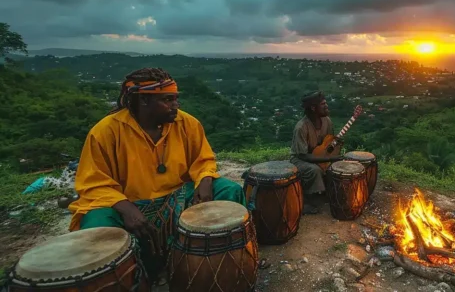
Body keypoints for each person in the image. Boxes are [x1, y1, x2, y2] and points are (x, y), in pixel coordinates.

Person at [68, 68, 246, 280]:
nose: (176, 105)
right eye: (168, 100)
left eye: (176, 99)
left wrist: (205, 181)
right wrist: (127, 209)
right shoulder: (106, 131)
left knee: (229, 191)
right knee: (96, 226)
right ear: (144, 101)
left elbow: (203, 159)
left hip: (178, 194)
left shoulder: (187, 123)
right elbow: (93, 183)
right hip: (124, 201)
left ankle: (218, 263)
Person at [290, 91, 343, 214]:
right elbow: (302, 155)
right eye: (323, 104)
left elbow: (328, 142)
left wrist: (335, 143)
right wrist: (328, 160)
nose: (327, 106)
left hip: (319, 156)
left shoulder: (327, 121)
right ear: (313, 108)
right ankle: (306, 200)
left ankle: (325, 192)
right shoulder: (301, 127)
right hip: (300, 159)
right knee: (314, 170)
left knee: (335, 167)